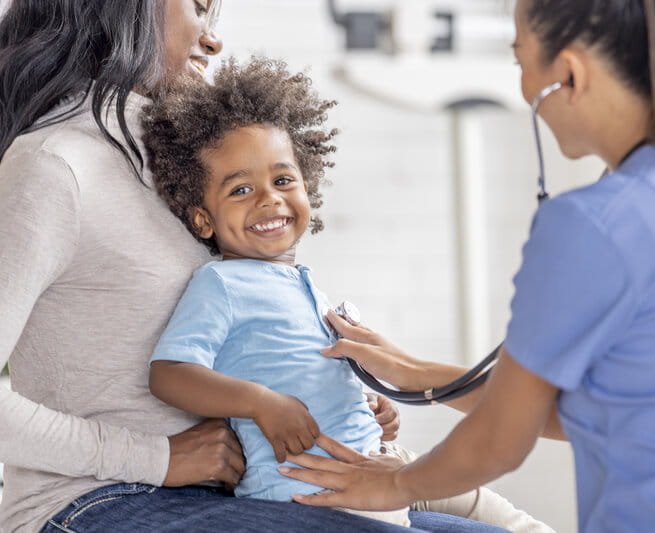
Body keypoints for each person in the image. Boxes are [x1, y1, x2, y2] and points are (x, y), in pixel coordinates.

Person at [0, 1, 504, 532]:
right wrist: (155, 457)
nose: (213, 37)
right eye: (198, 5)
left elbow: (246, 343)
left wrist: (339, 401)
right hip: (99, 501)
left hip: (241, 492)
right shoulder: (56, 163)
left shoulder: (191, 157)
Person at [279, 1, 655, 532]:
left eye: (520, 61)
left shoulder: (596, 223)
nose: (526, 89)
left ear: (569, 74)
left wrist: (389, 484)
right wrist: (415, 375)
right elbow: (601, 413)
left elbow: (498, 443)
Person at [142, 57, 551, 532]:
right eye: (240, 190)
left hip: (375, 462)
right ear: (202, 219)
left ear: (307, 186)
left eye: (282, 180)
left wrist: (370, 407)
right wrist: (259, 403)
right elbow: (169, 374)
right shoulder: (222, 284)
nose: (269, 199)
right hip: (310, 491)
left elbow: (306, 370)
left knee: (517, 523)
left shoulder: (306, 284)